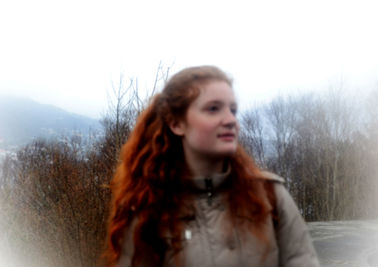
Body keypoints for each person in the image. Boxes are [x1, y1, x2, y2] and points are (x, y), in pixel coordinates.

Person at [104, 66, 320, 267]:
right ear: (177, 124)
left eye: (233, 110)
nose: (230, 120)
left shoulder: (269, 195)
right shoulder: (147, 210)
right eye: (213, 109)